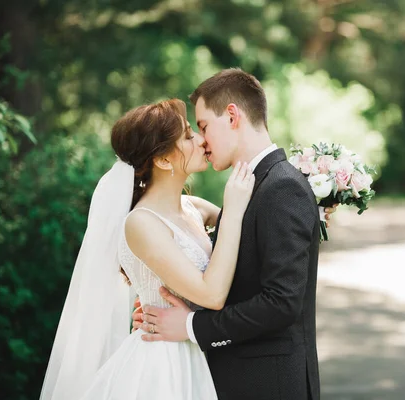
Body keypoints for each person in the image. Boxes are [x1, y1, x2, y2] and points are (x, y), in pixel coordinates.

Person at [40, 98, 255, 399]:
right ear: (163, 160)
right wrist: (233, 207)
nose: (202, 140)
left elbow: (258, 231)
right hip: (163, 364)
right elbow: (211, 294)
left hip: (198, 351)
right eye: (188, 136)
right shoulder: (140, 224)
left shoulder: (192, 208)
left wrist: (318, 205)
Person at [132, 68, 323, 400]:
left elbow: (282, 303)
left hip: (270, 385)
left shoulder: (281, 188)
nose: (202, 140)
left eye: (203, 126)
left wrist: (191, 326)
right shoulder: (257, 187)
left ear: (232, 116)